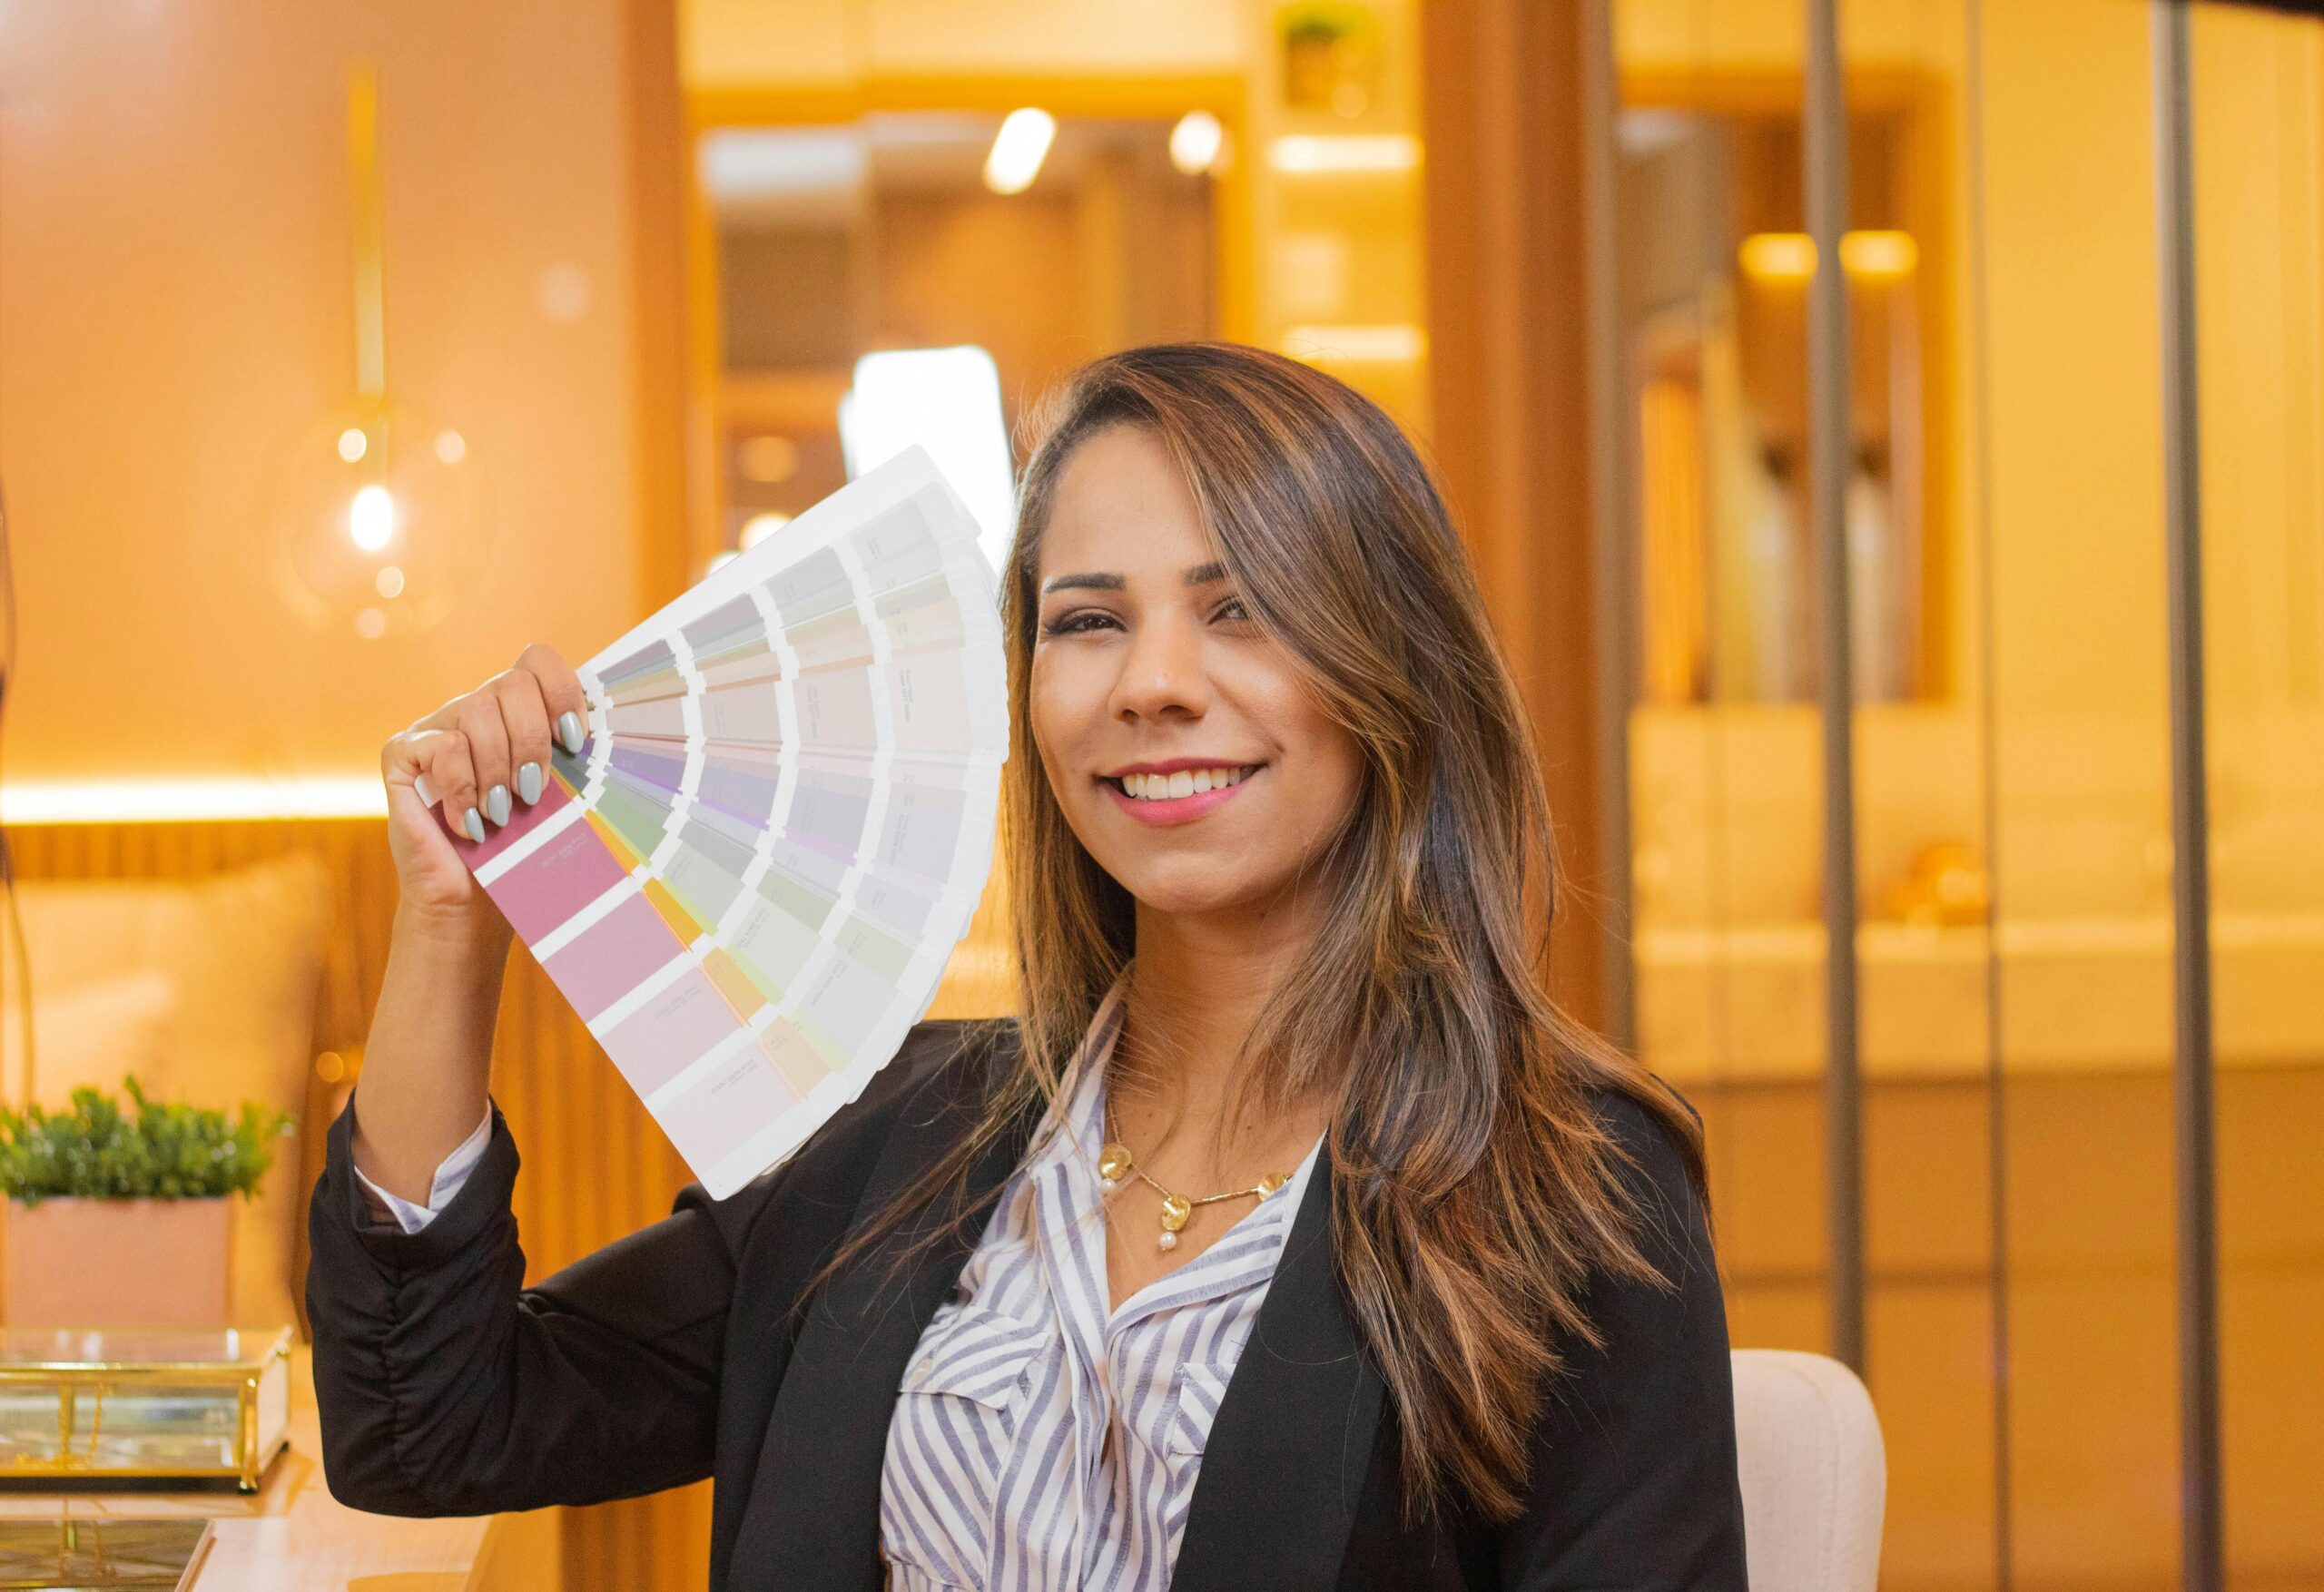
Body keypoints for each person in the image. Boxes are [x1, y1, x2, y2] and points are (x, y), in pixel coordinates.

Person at [306, 342, 1748, 1591]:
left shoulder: (1570, 1190)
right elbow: (429, 1425)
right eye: (1089, 619)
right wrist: (450, 916)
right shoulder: (904, 1134)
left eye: (1240, 606)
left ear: (1395, 672)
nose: (1152, 680)